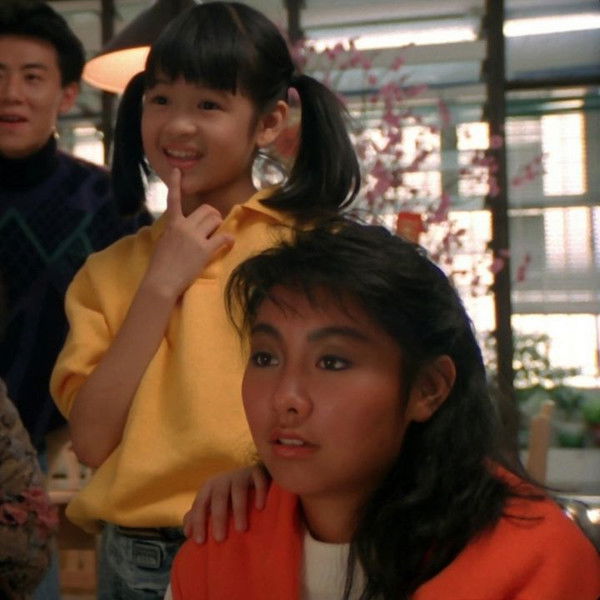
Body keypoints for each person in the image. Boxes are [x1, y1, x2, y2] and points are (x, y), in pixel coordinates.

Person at [50, 2, 360, 597]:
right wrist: (160, 285)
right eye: (161, 99)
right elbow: (91, 441)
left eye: (209, 105)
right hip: (141, 554)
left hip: (279, 535)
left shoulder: (313, 248)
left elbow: (352, 403)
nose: (177, 126)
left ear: (269, 122)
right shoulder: (108, 272)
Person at [169, 220, 600, 600]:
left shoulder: (534, 558)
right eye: (265, 357)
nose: (286, 397)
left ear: (427, 389)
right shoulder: (221, 543)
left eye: (332, 362)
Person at [0, 2, 151, 598]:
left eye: (32, 76)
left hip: (64, 447)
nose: (11, 93)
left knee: (51, 585)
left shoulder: (110, 205)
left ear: (65, 95)